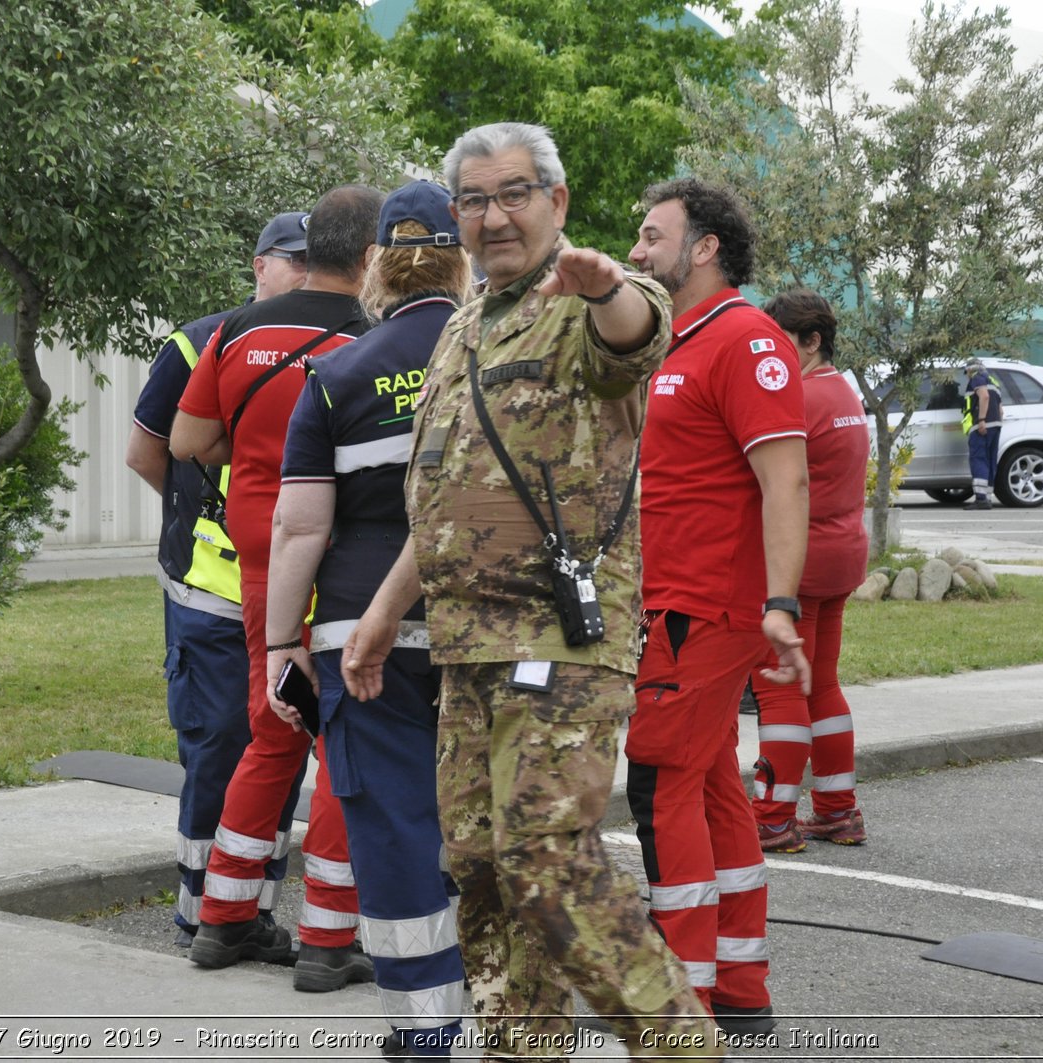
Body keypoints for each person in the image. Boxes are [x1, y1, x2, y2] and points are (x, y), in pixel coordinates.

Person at [342, 124, 719, 1060]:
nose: (492, 215)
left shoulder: (588, 299)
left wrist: (601, 287)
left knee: (545, 858)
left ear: (556, 200)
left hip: (559, 637)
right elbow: (446, 499)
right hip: (466, 638)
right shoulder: (466, 322)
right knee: (477, 865)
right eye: (472, 199)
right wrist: (387, 610)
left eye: (513, 194)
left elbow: (632, 332)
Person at [265, 180, 470, 1058]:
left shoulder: (336, 373)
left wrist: (282, 643)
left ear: (377, 266)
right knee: (489, 817)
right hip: (482, 627)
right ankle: (510, 1010)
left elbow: (299, 525)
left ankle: (427, 1026)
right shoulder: (489, 355)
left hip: (356, 631)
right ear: (460, 263)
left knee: (392, 820)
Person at [170, 185, 381, 992]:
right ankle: (330, 937)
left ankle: (221, 920)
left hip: (259, 557)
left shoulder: (237, 329)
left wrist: (250, 462)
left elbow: (189, 440)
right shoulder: (374, 339)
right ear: (368, 257)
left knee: (273, 732)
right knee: (346, 745)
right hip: (341, 561)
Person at [624, 178, 811, 1037]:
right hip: (678, 602)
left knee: (660, 779)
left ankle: (678, 999)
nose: (636, 250)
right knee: (708, 784)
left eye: (653, 236)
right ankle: (735, 986)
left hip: (703, 609)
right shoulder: (679, 338)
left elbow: (787, 479)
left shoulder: (744, 338)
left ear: (704, 247)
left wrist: (778, 603)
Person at [124, 210, 310, 946]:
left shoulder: (331, 336)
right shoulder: (200, 340)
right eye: (284, 259)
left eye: (308, 260)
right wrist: (204, 516)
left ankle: (251, 905)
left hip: (290, 591)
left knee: (279, 748)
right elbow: (149, 453)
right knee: (216, 749)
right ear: (258, 264)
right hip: (209, 593)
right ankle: (196, 905)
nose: (296, 272)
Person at [745, 291, 869, 853]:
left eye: (781, 339)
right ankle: (838, 811)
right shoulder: (844, 393)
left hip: (799, 564)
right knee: (823, 684)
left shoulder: (800, 397)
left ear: (812, 340)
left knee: (782, 691)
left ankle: (772, 816)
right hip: (843, 554)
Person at [962, 357, 1003, 510]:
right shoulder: (993, 381)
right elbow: (1000, 409)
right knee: (991, 460)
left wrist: (981, 420)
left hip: (982, 425)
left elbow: (984, 396)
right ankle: (987, 497)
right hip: (996, 425)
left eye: (966, 372)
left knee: (979, 459)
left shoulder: (977, 379)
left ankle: (980, 499)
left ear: (971, 370)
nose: (966, 375)